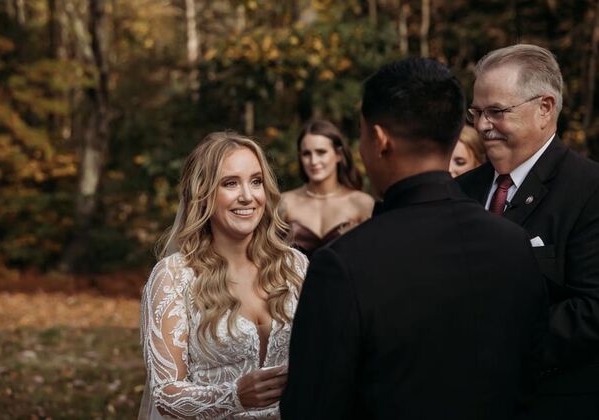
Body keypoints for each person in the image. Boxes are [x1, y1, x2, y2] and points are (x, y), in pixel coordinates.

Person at [280, 58, 548, 419]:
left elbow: (311, 407)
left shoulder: (344, 264)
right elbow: (533, 377)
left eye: (361, 135)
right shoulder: (513, 244)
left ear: (379, 140)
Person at [457, 43, 599, 419]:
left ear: (545, 108)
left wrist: (491, 341)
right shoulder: (459, 191)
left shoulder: (589, 190)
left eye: (497, 112)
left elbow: (592, 310)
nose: (482, 125)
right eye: (477, 112)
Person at [139, 132, 308, 419]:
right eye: (230, 183)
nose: (247, 196)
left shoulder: (294, 266)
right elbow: (165, 394)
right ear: (203, 194)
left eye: (256, 181)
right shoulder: (174, 276)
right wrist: (234, 396)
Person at [280, 119, 374, 257]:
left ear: (338, 155)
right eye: (306, 154)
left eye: (321, 152)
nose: (313, 161)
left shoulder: (362, 203)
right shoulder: (285, 202)